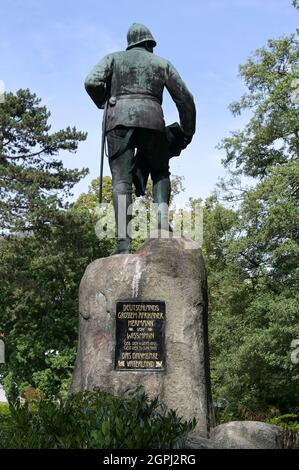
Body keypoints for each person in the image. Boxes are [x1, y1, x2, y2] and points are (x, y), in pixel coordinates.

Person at [85, 23, 196, 254]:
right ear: (148, 43)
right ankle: (161, 224)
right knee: (160, 172)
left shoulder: (113, 59)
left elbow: (91, 82)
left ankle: (123, 243)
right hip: (152, 121)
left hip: (118, 121)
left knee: (121, 181)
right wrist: (187, 130)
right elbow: (185, 98)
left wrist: (106, 100)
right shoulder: (161, 63)